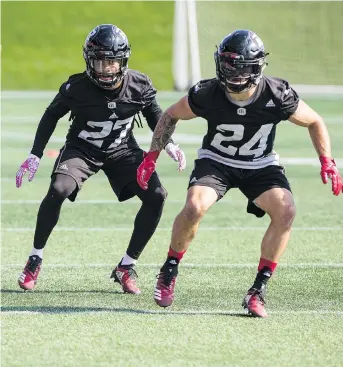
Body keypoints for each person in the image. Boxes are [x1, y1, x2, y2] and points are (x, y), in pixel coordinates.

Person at [137, 29, 342, 317]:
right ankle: (169, 269)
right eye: (228, 65)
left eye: (241, 66)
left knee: (286, 210)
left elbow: (314, 121)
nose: (233, 73)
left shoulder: (276, 93)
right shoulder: (208, 92)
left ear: (256, 67)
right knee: (195, 206)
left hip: (260, 164)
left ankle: (258, 290)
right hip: (217, 161)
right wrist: (151, 156)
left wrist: (327, 161)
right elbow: (171, 114)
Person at [16, 24, 186, 294]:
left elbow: (156, 115)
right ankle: (35, 258)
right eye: (99, 62)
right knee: (59, 189)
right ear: (88, 61)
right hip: (82, 148)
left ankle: (126, 266)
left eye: (112, 62)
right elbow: (51, 115)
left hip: (122, 150)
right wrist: (35, 154)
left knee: (157, 195)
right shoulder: (77, 87)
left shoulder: (139, 85)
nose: (105, 69)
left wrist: (169, 144)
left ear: (123, 61)